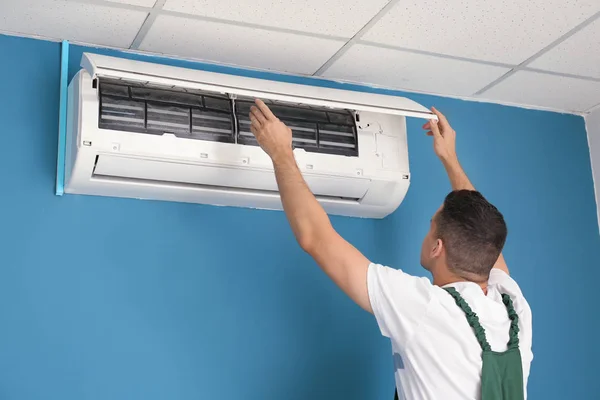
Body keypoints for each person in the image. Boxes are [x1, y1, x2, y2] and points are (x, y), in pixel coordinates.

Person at [248, 100, 533, 400]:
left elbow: (315, 239)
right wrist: (449, 157)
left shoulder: (425, 308)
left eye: (431, 225)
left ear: (437, 247)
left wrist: (280, 153)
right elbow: (485, 234)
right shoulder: (513, 307)